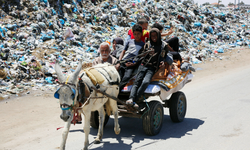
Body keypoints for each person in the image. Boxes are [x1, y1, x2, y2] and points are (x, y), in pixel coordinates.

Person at [126, 28, 173, 108]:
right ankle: (131, 99)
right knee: (137, 81)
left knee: (145, 82)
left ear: (158, 36)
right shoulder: (147, 44)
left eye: (155, 35)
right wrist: (145, 53)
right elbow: (140, 55)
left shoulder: (163, 46)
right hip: (143, 65)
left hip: (152, 68)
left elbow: (163, 57)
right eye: (152, 36)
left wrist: (162, 63)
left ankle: (135, 100)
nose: (154, 37)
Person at [118, 24, 145, 91]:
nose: (136, 36)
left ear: (141, 34)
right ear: (133, 34)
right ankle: (114, 90)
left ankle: (118, 90)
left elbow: (140, 57)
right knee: (118, 76)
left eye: (138, 34)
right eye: (135, 34)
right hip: (124, 61)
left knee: (127, 77)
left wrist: (134, 64)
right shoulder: (129, 41)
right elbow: (123, 52)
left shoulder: (143, 44)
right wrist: (119, 61)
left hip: (131, 64)